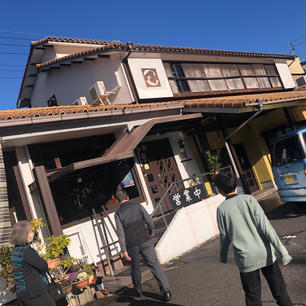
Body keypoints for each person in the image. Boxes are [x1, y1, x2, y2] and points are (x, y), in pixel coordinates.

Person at [214, 173, 293, 306]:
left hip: (246, 260)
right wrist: (283, 252)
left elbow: (224, 236)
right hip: (265, 253)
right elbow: (266, 227)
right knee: (280, 291)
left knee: (253, 298)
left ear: (219, 190)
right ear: (235, 185)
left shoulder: (221, 210)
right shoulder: (249, 200)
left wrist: (223, 256)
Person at [114, 189, 172, 301]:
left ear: (117, 201)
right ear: (128, 197)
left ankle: (138, 290)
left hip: (131, 245)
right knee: (154, 265)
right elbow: (149, 220)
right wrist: (151, 231)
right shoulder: (137, 206)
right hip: (145, 239)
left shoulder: (118, 214)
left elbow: (121, 234)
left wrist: (124, 250)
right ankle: (166, 291)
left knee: (135, 267)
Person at [10, 220, 61, 306]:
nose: (32, 234)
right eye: (30, 232)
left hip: (24, 292)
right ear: (24, 235)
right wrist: (47, 265)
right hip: (35, 292)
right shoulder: (27, 250)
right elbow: (42, 266)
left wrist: (46, 264)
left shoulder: (15, 251)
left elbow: (30, 266)